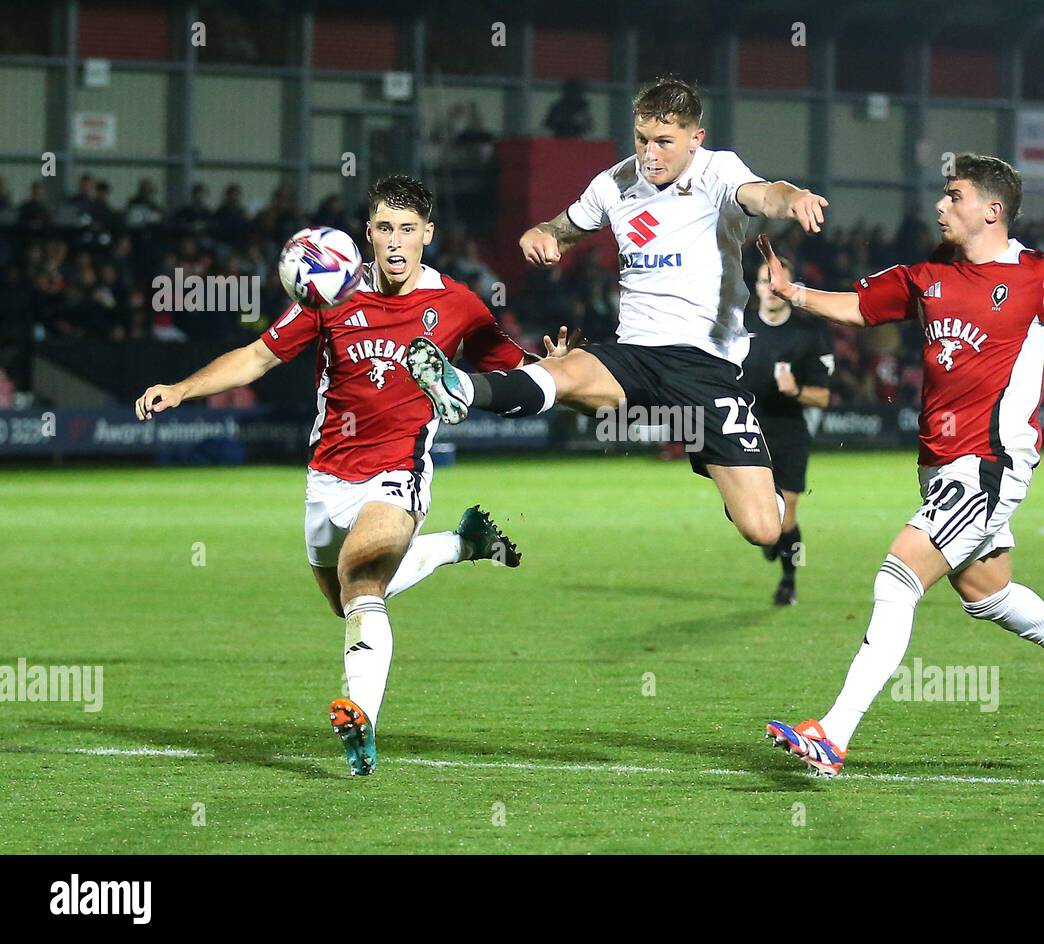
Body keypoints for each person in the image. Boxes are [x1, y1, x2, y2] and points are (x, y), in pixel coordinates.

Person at [759, 153, 1044, 777]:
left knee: (898, 578)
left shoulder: (1037, 277)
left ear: (991, 210)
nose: (940, 205)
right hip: (939, 463)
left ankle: (833, 736)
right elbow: (861, 309)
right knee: (985, 592)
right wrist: (794, 293)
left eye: (954, 195)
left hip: (988, 464)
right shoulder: (928, 273)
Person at [133, 175, 570, 776]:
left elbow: (514, 371)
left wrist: (554, 366)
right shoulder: (331, 292)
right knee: (349, 606)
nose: (395, 243)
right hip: (327, 477)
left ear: (428, 235)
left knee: (362, 582)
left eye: (408, 231)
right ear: (367, 233)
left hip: (400, 471)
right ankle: (462, 544)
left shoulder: (459, 306)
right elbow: (259, 355)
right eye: (385, 229)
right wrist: (181, 388)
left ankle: (361, 721)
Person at [407, 76, 830, 550]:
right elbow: (563, 229)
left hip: (705, 367)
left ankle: (745, 482)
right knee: (564, 372)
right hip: (636, 356)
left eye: (664, 142)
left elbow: (765, 194)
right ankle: (460, 386)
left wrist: (794, 200)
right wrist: (541, 235)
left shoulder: (717, 172)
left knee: (763, 530)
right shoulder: (615, 182)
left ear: (696, 139)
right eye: (642, 139)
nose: (650, 154)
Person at [742, 253, 832, 606]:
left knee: (785, 517)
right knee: (755, 520)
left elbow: (823, 397)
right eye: (765, 280)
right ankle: (770, 543)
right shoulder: (740, 328)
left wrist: (795, 390)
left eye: (778, 282)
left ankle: (788, 580)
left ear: (789, 289)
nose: (770, 288)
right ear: (756, 286)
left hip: (789, 433)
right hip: (747, 432)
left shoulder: (808, 335)